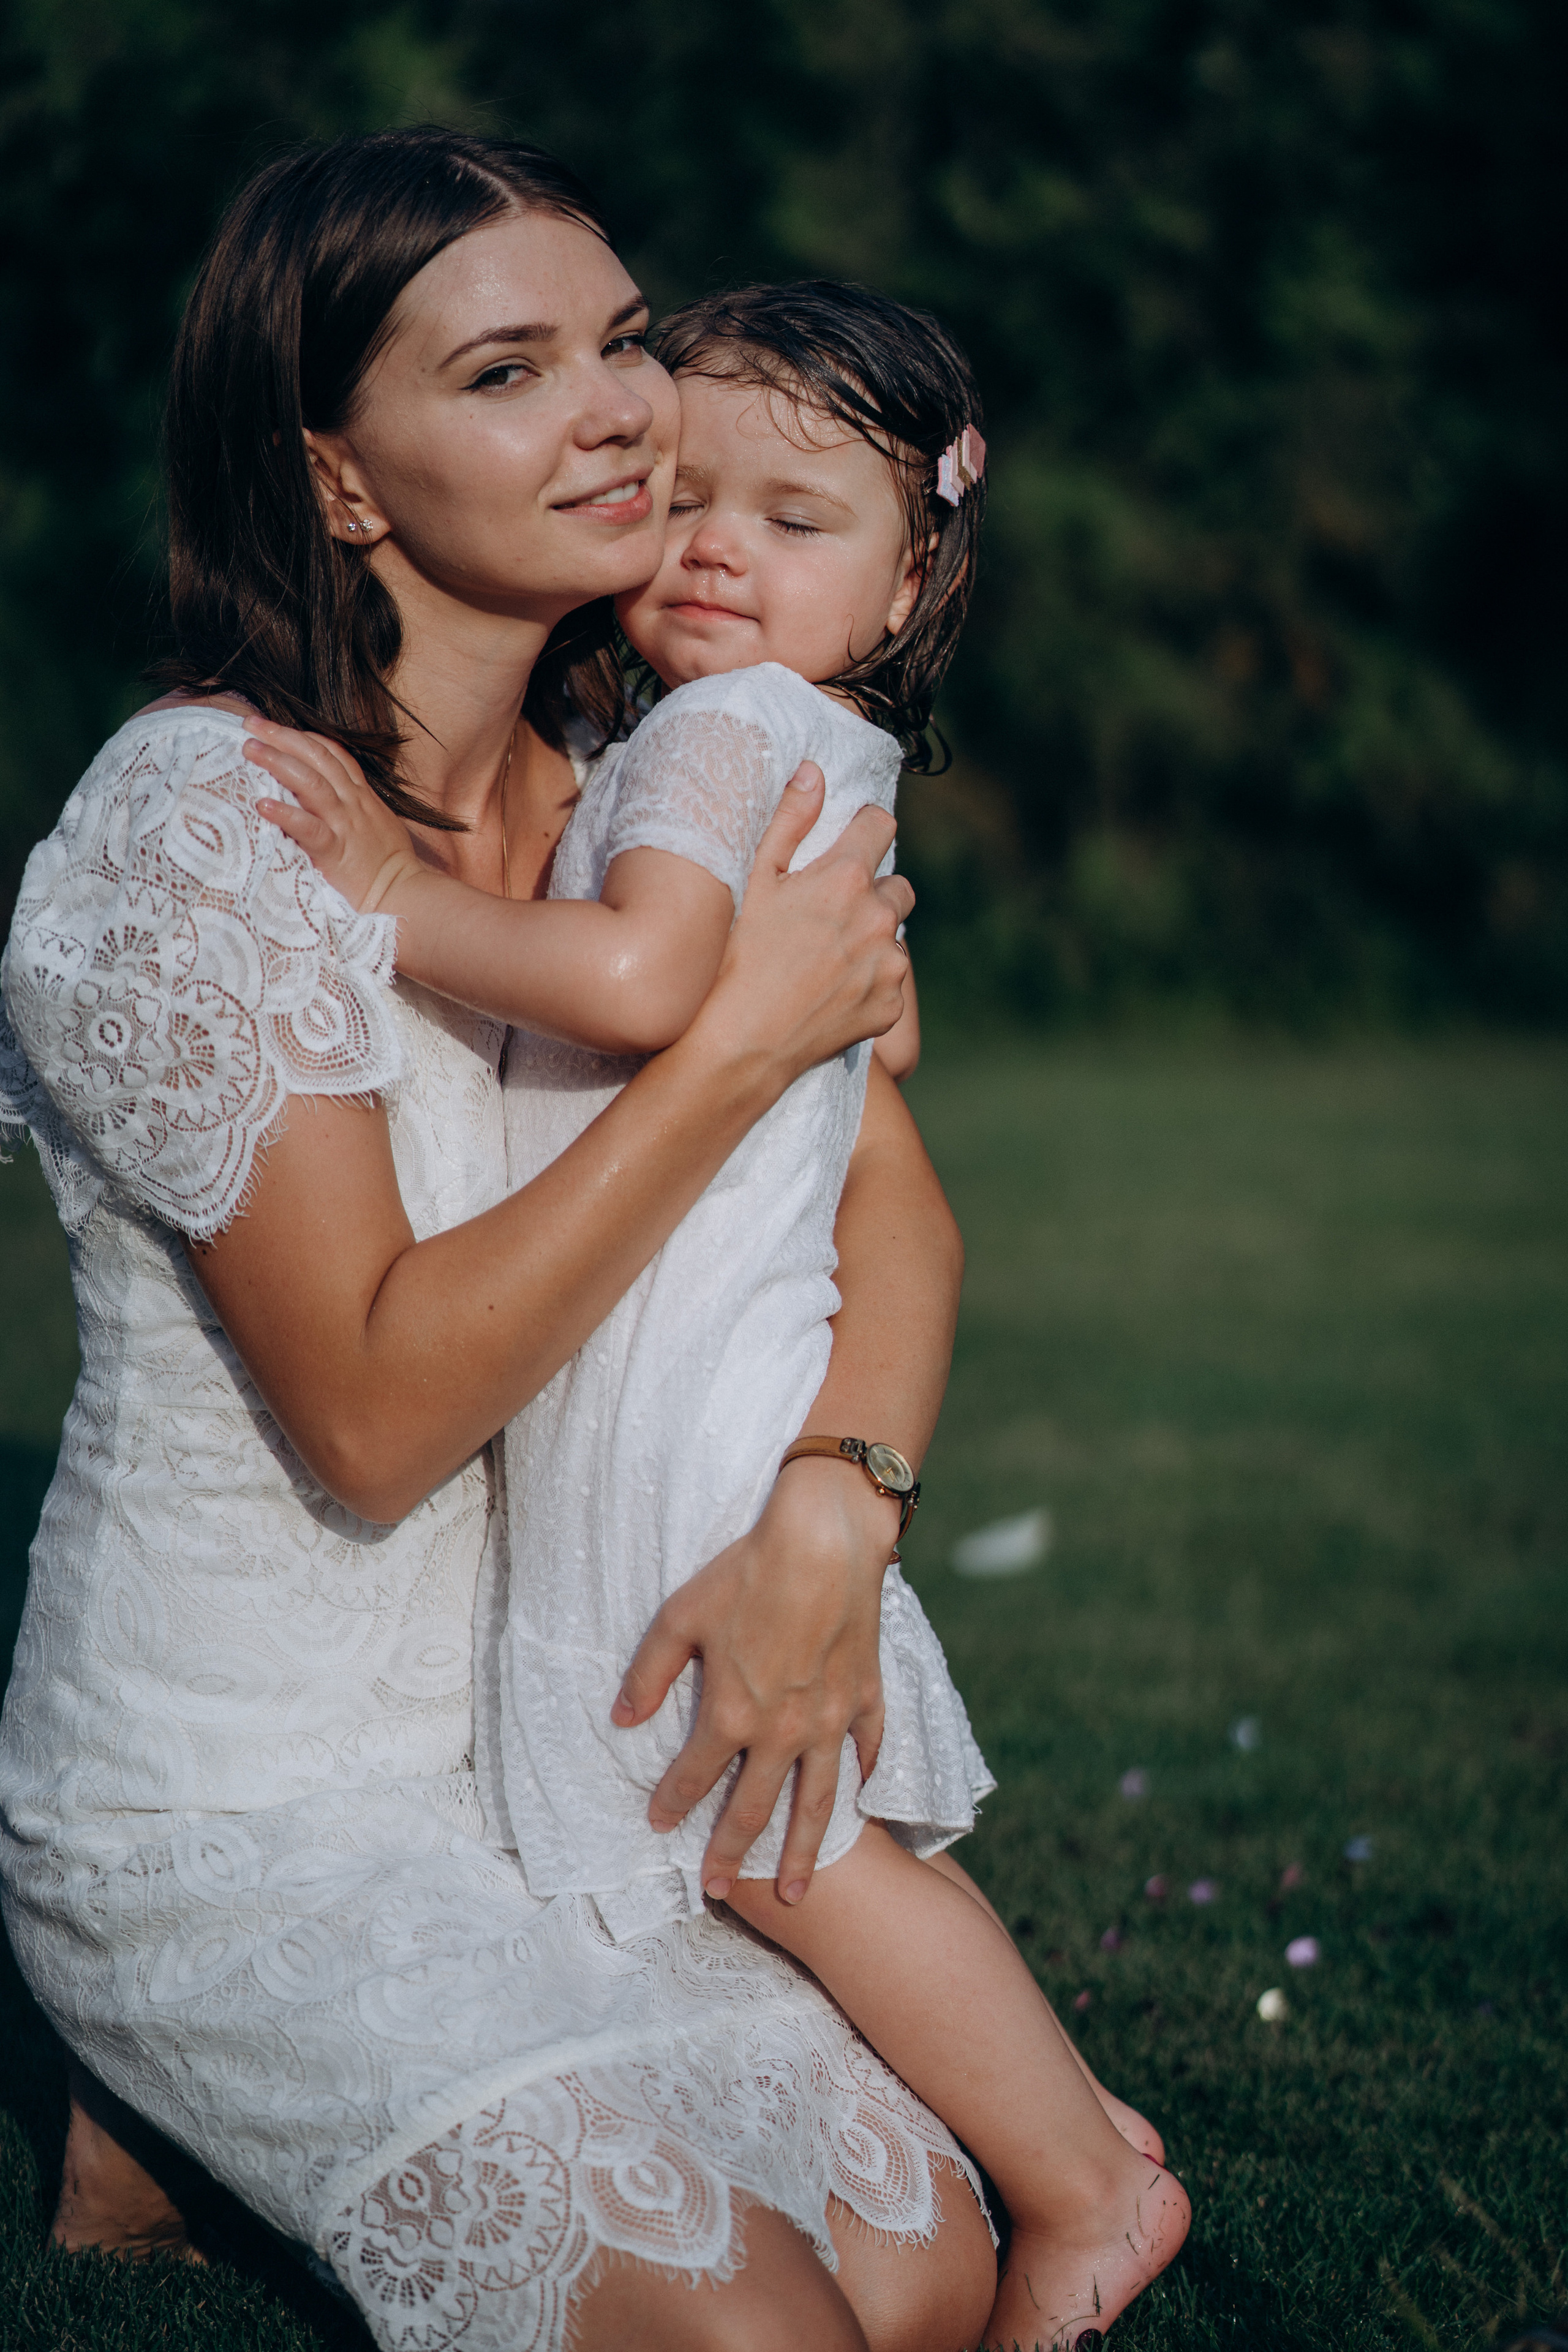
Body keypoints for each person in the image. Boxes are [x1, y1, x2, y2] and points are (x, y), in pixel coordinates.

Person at [0, 129, 998, 2352]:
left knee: (928, 2271)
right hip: (234, 1799)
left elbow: (899, 1213)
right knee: (763, 2337)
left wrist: (838, 1513)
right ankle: (154, 2073)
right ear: (338, 479)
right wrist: (728, 1054)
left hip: (541, 1753)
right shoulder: (215, 826)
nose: (622, 410)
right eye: (508, 370)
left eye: (624, 342)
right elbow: (373, 1417)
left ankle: (177, 2154)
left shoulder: (643, 784)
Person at [255, 277, 1189, 2350]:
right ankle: (1047, 2121)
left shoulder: (721, 729)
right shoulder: (775, 739)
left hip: (689, 1389)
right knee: (768, 1818)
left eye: (794, 518)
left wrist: (393, 902)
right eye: (689, 497)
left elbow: (649, 982)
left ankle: (1084, 2182)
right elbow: (879, 1030)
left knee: (767, 1828)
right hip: (707, 1349)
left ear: (910, 581)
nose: (715, 549)